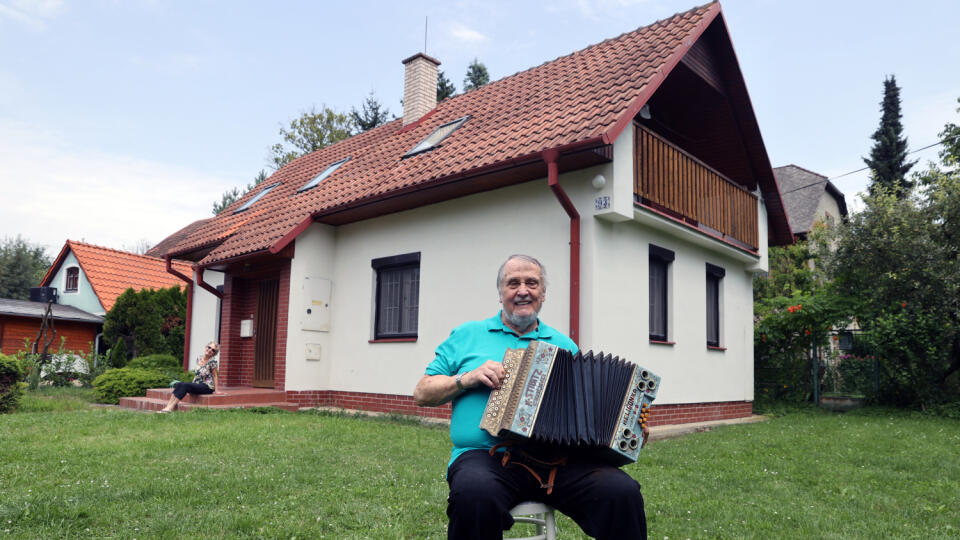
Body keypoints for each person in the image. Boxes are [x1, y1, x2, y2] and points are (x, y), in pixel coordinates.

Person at [413, 254, 648, 540]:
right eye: (513, 283)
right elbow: (422, 392)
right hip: (486, 458)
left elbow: (585, 414)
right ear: (501, 293)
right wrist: (467, 378)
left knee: (621, 492)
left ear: (543, 293)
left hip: (556, 463)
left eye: (532, 283)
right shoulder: (467, 334)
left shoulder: (564, 345)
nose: (523, 290)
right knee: (474, 494)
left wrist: (627, 430)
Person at [158, 341, 222, 413]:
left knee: (185, 385)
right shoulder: (199, 358)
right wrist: (192, 384)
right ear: (206, 347)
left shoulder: (213, 362)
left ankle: (170, 408)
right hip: (197, 384)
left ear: (214, 353)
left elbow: (215, 375)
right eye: (209, 347)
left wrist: (216, 390)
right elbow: (197, 374)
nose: (210, 350)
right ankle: (168, 406)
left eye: (213, 350)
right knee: (179, 384)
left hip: (207, 386)